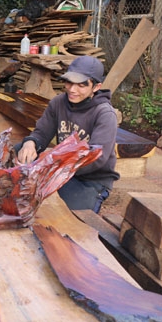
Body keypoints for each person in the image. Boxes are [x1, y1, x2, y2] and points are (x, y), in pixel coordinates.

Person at [16, 55, 120, 213]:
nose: (72, 90)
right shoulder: (58, 102)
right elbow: (42, 133)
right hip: (62, 168)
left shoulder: (104, 113)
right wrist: (30, 143)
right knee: (19, 151)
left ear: (96, 87)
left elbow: (96, 159)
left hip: (90, 178)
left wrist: (54, 168)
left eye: (81, 85)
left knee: (62, 213)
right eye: (69, 82)